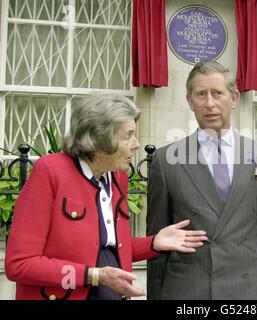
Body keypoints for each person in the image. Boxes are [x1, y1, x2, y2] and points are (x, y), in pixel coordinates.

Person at [5, 94, 207, 300]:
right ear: (98, 139)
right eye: (128, 135)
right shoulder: (50, 171)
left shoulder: (117, 175)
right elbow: (19, 265)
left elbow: (109, 247)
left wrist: (154, 243)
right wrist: (95, 276)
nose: (136, 143)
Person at [146, 60, 257, 300]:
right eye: (201, 94)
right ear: (190, 101)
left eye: (217, 94)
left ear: (233, 99)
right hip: (188, 291)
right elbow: (158, 238)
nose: (209, 104)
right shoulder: (166, 160)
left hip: (251, 290)